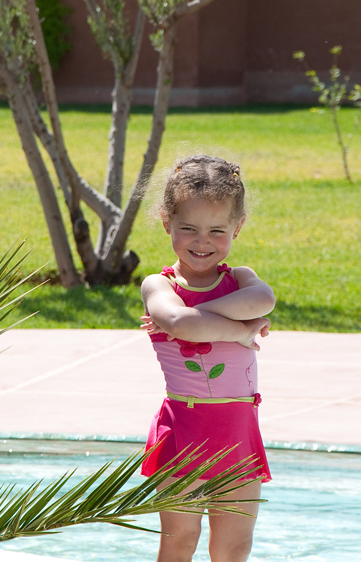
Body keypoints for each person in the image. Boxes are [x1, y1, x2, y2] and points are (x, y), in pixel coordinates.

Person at [140, 155, 276, 562]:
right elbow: (181, 323)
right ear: (166, 221)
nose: (202, 242)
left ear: (238, 226)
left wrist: (214, 321)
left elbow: (264, 299)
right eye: (189, 229)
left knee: (234, 546)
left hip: (238, 432)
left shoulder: (243, 279)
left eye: (217, 230)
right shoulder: (159, 285)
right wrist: (242, 329)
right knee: (179, 539)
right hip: (184, 428)